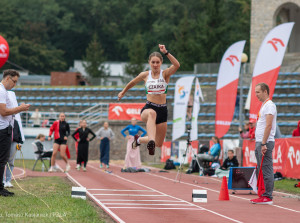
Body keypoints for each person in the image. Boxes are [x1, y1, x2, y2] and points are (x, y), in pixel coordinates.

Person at [118, 44, 180, 155]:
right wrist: (123, 92)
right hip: (149, 108)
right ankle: (150, 141)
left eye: (157, 62)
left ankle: (139, 140)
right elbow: (132, 82)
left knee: (159, 143)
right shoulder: (145, 75)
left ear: (161, 62)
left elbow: (176, 65)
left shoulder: (165, 74)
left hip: (163, 110)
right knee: (152, 114)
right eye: (153, 62)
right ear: (149, 63)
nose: (155, 65)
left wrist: (166, 52)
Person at [0, 69, 30, 197]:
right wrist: (20, 108)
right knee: (2, 160)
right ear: (7, 78)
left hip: (5, 129)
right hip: (2, 130)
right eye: (14, 81)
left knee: (3, 160)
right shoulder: (1, 90)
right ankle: (0, 188)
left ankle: (1, 186)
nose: (15, 85)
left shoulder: (3, 91)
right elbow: (4, 112)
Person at [250, 83, 277, 205]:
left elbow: (269, 125)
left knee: (266, 169)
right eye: (255, 92)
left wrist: (264, 143)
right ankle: (263, 194)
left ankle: (268, 196)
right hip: (260, 141)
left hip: (265, 142)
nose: (256, 95)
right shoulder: (264, 105)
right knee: (261, 169)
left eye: (258, 92)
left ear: (265, 91)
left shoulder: (270, 106)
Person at [4, 90, 25, 188]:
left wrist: (20, 142)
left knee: (11, 162)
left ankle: (8, 180)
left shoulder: (16, 122)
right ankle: (2, 181)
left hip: (14, 142)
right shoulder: (4, 121)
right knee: (3, 161)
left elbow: (19, 132)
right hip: (5, 142)